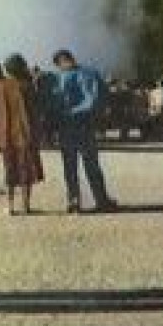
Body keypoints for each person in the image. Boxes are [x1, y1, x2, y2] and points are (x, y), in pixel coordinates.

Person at [51, 49, 118, 214]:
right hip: (85, 124)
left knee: (70, 166)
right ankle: (101, 199)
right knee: (91, 165)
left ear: (60, 62)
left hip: (66, 126)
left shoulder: (56, 78)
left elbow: (51, 103)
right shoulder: (90, 73)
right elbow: (99, 99)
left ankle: (74, 202)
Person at [0, 54, 44, 214]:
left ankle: (10, 206)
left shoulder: (0, 85)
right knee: (26, 170)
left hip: (6, 133)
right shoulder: (27, 86)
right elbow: (34, 109)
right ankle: (26, 205)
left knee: (9, 168)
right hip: (24, 132)